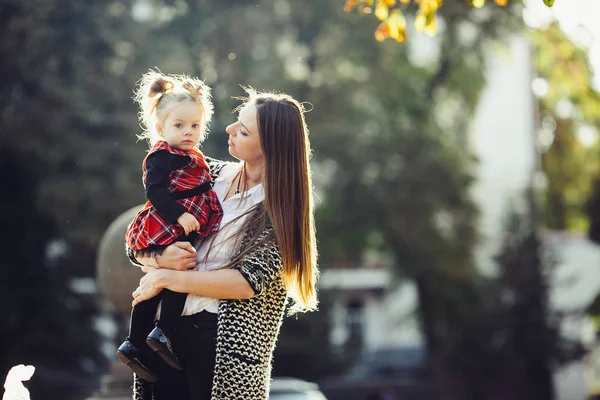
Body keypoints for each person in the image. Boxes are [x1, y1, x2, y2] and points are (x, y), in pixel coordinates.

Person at [126, 89, 319, 400]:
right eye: (235, 122)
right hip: (164, 334)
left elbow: (244, 283)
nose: (229, 130)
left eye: (243, 130)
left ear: (268, 145)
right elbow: (141, 237)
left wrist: (165, 277)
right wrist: (161, 259)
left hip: (222, 343)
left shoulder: (282, 210)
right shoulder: (203, 173)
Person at [117, 72, 223, 383]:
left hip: (183, 224)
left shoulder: (193, 156)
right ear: (161, 128)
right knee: (172, 277)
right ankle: (143, 337)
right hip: (165, 223)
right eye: (180, 126)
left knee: (176, 278)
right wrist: (179, 215)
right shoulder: (161, 155)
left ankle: (151, 336)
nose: (189, 132)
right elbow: (155, 191)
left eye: (195, 126)